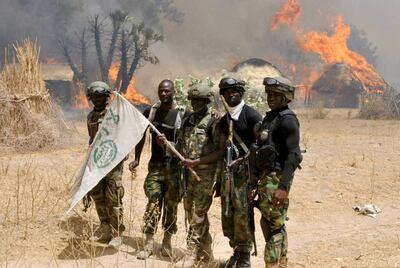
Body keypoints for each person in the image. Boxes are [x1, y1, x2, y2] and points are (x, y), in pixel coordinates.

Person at [129, 79, 187, 259]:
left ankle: (167, 243)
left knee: (171, 206)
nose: (164, 94)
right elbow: (141, 135)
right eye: (161, 91)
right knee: (153, 201)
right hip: (155, 167)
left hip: (175, 169)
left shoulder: (182, 114)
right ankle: (148, 243)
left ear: (174, 92)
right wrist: (137, 158)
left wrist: (170, 145)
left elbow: (189, 141)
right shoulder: (151, 111)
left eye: (167, 91)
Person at [255, 76, 302, 267]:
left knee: (273, 226)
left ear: (285, 97)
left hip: (277, 179)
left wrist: (282, 187)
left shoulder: (287, 120)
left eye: (275, 94)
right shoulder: (270, 118)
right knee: (273, 224)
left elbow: (294, 155)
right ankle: (281, 263)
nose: (270, 97)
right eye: (269, 94)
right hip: (266, 179)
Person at [217, 77, 262, 268]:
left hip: (245, 174)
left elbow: (261, 146)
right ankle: (236, 251)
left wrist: (253, 175)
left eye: (235, 90)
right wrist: (218, 181)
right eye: (227, 91)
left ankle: (245, 257)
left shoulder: (251, 115)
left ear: (241, 92)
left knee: (243, 214)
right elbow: (221, 151)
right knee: (228, 215)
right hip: (228, 176)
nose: (231, 94)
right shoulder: (223, 121)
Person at [177, 82, 225, 265]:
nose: (196, 103)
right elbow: (181, 144)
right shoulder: (188, 120)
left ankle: (191, 251)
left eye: (200, 100)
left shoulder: (214, 121)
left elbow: (220, 151)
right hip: (188, 175)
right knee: (190, 212)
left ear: (206, 101)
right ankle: (207, 256)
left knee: (199, 213)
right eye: (193, 100)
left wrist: (197, 162)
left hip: (205, 175)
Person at [85, 81, 125, 246]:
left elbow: (122, 137)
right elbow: (91, 140)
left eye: (101, 96)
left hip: (112, 164)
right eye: (95, 96)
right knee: (98, 196)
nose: (98, 99)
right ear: (91, 98)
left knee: (113, 198)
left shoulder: (113, 115)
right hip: (96, 163)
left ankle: (117, 233)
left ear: (106, 97)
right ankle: (105, 229)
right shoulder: (90, 117)